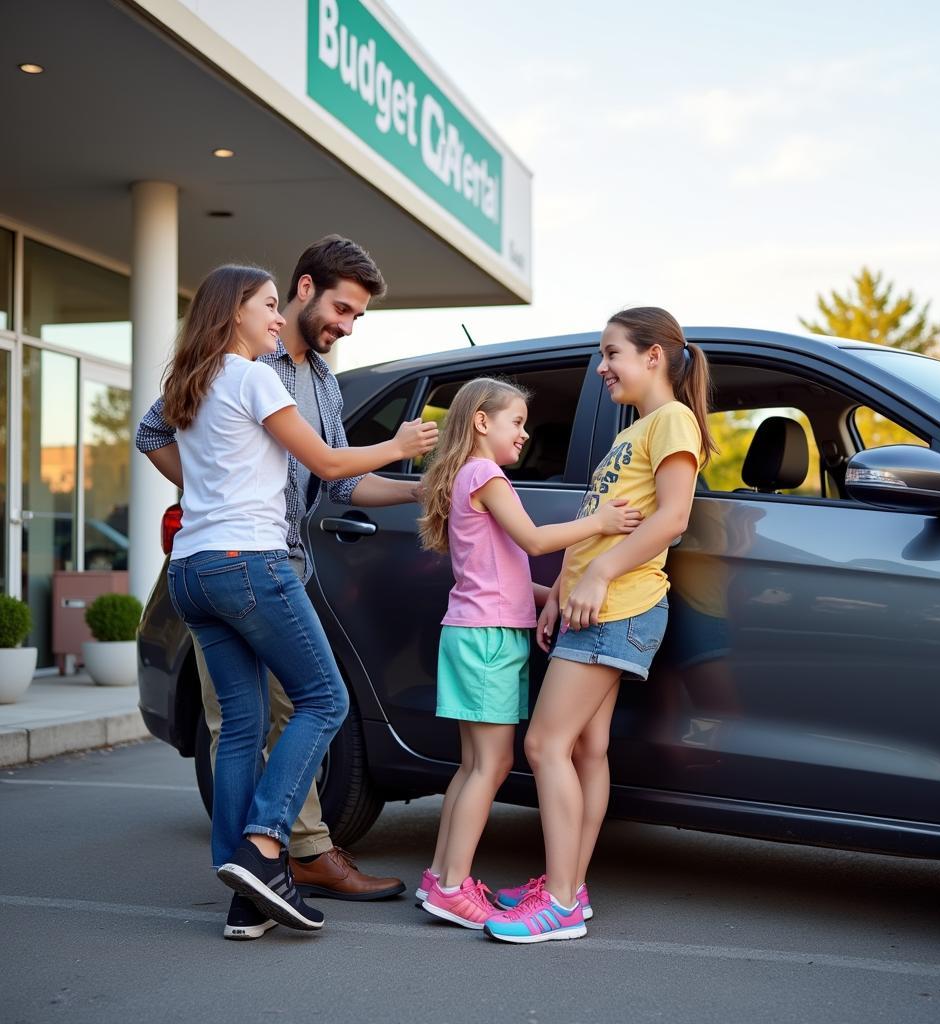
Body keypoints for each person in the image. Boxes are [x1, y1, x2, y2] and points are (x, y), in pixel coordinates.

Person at [143, 263, 437, 937]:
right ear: (232, 312)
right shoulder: (254, 375)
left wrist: (206, 492)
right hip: (251, 563)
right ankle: (266, 845)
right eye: (267, 306)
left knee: (243, 728)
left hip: (193, 568)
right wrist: (399, 445)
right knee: (326, 699)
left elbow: (165, 441)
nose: (276, 320)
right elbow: (331, 466)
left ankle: (247, 899)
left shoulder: (192, 380)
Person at [486, 307, 716, 943]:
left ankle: (559, 901)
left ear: (653, 357)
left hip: (619, 607)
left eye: (612, 352)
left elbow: (671, 519)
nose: (602, 365)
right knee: (585, 749)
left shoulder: (671, 422)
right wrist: (563, 587)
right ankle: (569, 886)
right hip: (596, 604)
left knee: (543, 745)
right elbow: (600, 521)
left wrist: (595, 578)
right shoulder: (633, 432)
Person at [412, 377, 642, 929]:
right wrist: (603, 522)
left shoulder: (467, 476)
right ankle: (451, 887)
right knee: (492, 764)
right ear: (481, 422)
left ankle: (441, 877)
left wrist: (550, 599)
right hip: (488, 638)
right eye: (516, 421)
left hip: (475, 630)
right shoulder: (486, 474)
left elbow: (503, 573)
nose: (525, 432)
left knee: (474, 765)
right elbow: (536, 542)